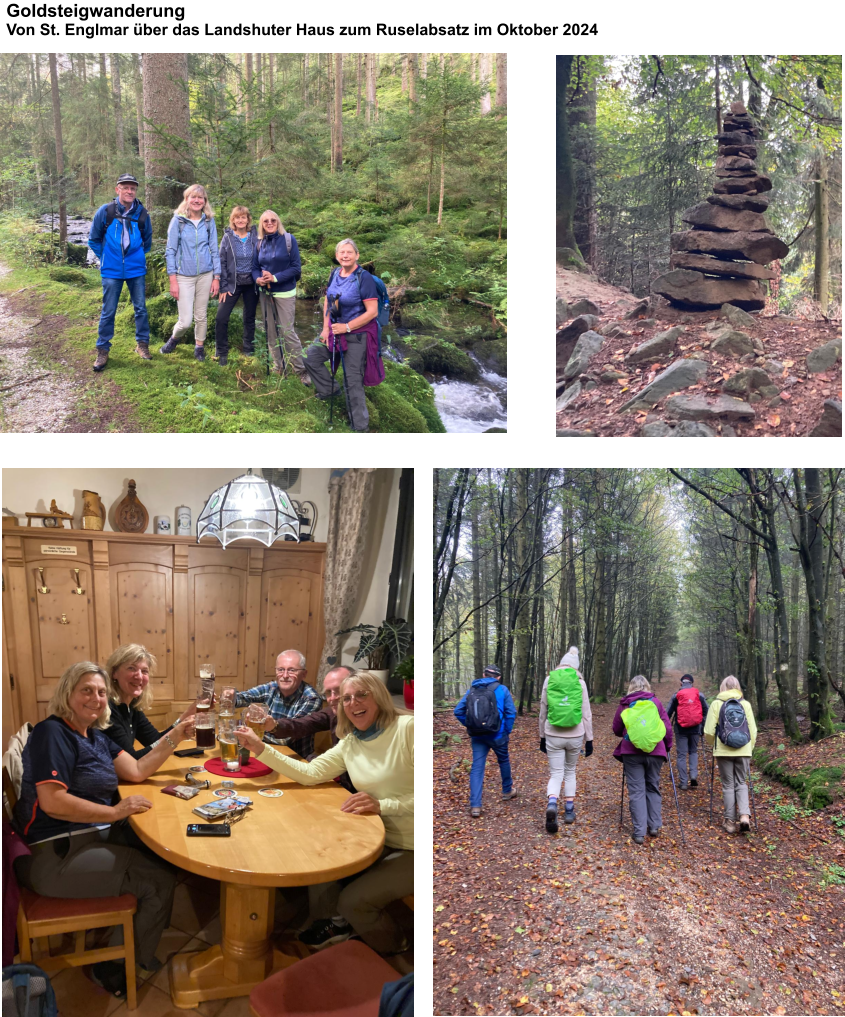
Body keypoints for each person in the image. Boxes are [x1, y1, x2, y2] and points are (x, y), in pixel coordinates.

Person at [12, 661, 195, 997]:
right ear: (67, 693)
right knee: (157, 880)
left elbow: (138, 770)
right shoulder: (52, 732)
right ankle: (111, 967)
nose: (96, 698)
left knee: (162, 852)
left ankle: (131, 939)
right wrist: (114, 811)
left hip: (85, 837)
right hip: (55, 855)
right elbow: (52, 801)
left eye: (100, 692)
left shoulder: (95, 736)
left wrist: (178, 734)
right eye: (86, 690)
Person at [234, 671, 414, 959]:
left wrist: (384, 806)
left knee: (353, 901)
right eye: (346, 699)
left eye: (361, 695)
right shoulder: (352, 741)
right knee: (319, 853)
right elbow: (310, 773)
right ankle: (336, 926)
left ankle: (393, 948)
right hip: (377, 834)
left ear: (378, 695)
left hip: (413, 846)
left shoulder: (408, 728)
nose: (353, 703)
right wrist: (259, 747)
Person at [305, 240, 381, 432]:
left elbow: (372, 312)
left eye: (349, 252)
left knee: (352, 380)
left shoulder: (364, 278)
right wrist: (325, 328)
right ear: (337, 255)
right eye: (342, 252)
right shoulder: (334, 273)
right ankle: (330, 389)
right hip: (335, 331)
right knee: (310, 356)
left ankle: (360, 426)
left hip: (357, 335)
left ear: (357, 255)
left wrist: (346, 327)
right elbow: (328, 301)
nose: (345, 255)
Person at [87, 173, 153, 372]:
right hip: (111, 270)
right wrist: (107, 256)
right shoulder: (105, 211)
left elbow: (147, 242)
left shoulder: (142, 214)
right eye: (126, 187)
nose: (130, 191)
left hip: (136, 269)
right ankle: (103, 350)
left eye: (133, 188)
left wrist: (136, 256)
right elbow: (93, 239)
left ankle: (142, 345)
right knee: (108, 311)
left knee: (140, 308)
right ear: (118, 190)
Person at [261, 664, 358, 791]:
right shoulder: (333, 712)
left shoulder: (373, 725)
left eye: (339, 690)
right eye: (328, 692)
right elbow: (303, 724)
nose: (332, 698)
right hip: (343, 787)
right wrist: (274, 725)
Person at [102, 643, 198, 759]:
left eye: (144, 671)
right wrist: (176, 735)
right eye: (131, 668)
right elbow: (132, 760)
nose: (139, 676)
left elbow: (155, 740)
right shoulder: (108, 709)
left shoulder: (131, 706)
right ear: (114, 673)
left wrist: (187, 714)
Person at [160, 184, 221, 362]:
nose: (196, 200)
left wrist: (216, 277)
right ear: (187, 199)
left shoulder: (209, 221)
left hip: (205, 275)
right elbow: (170, 250)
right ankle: (174, 338)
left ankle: (199, 347)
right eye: (193, 197)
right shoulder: (178, 221)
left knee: (201, 315)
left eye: (200, 198)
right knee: (185, 321)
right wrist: (173, 279)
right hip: (183, 276)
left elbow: (214, 250)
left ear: (204, 201)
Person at [612, 675, 673, 844]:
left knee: (637, 791)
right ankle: (653, 826)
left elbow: (616, 728)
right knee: (652, 786)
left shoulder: (625, 703)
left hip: (631, 752)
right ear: (647, 686)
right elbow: (667, 728)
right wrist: (667, 746)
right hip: (656, 751)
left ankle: (639, 832)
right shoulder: (656, 702)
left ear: (631, 687)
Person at [251, 210, 309, 382]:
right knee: (270, 332)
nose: (269, 223)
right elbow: (254, 267)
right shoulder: (259, 242)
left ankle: (301, 370)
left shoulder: (289, 240)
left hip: (285, 292)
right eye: (266, 221)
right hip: (265, 293)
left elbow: (296, 268)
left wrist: (275, 278)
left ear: (278, 222)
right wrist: (258, 279)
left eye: (273, 220)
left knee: (286, 330)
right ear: (261, 224)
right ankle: (279, 367)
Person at [539, 647, 593, 832]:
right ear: (575, 667)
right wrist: (589, 739)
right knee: (570, 772)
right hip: (575, 734)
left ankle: (552, 802)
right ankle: (569, 811)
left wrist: (541, 736)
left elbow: (543, 710)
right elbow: (586, 714)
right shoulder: (580, 682)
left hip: (553, 733)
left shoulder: (549, 679)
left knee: (556, 773)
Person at [453, 664, 517, 819]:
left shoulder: (472, 690)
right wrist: (506, 730)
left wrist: (470, 724)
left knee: (477, 767)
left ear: (483, 674)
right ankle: (507, 791)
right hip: (497, 735)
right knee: (503, 760)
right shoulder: (502, 690)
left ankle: (475, 805)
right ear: (498, 677)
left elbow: (458, 711)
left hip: (477, 736)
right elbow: (511, 713)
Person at [233, 649, 322, 758]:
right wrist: (230, 697)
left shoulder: (311, 698)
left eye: (292, 670)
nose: (285, 675)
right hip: (268, 754)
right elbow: (242, 697)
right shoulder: (271, 687)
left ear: (304, 674)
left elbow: (285, 739)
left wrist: (249, 735)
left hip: (297, 761)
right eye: (281, 669)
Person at [704, 675, 758, 833]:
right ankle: (744, 816)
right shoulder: (745, 704)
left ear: (722, 687)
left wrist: (714, 745)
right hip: (744, 750)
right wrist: (749, 748)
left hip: (723, 750)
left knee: (728, 785)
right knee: (741, 783)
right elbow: (753, 730)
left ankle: (729, 822)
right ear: (738, 687)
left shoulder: (716, 704)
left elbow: (708, 731)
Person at [215, 205, 259, 365]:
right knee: (221, 317)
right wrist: (223, 286)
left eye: (243, 217)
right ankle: (221, 351)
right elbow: (222, 261)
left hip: (251, 284)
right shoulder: (228, 237)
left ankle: (248, 349)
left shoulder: (255, 236)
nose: (240, 220)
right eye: (237, 217)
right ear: (233, 220)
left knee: (249, 317)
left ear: (248, 219)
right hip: (232, 284)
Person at [666, 673, 709, 790]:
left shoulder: (676, 696)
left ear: (681, 683)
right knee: (693, 752)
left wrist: (665, 729)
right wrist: (702, 726)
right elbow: (707, 711)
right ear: (692, 683)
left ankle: (684, 782)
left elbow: (667, 714)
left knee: (681, 755)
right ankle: (693, 776)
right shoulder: (699, 695)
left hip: (681, 729)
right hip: (696, 728)